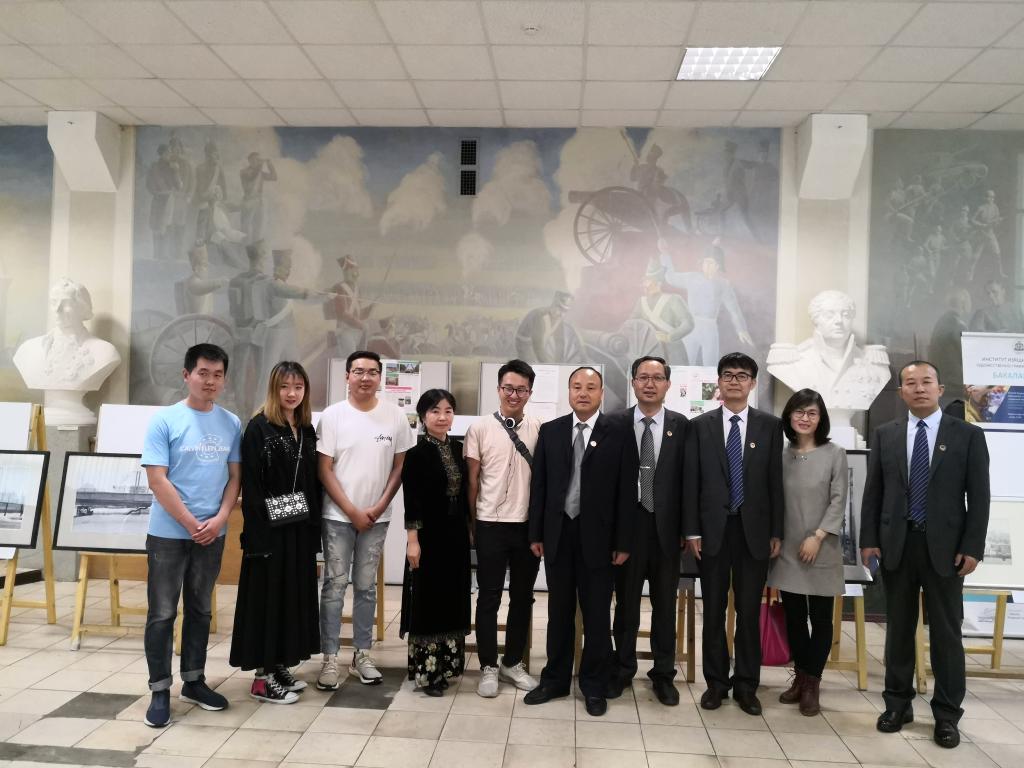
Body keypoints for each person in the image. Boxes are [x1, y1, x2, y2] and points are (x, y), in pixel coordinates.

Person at [861, 361, 990, 749]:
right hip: (897, 545)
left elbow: (979, 496)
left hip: (947, 550)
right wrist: (869, 539)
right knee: (898, 630)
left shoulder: (967, 435)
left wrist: (973, 546)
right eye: (911, 383)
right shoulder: (886, 434)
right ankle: (897, 705)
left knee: (947, 634)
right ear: (901, 391)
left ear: (940, 388)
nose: (919, 388)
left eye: (926, 382)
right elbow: (874, 492)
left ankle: (947, 715)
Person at [140, 343, 241, 728]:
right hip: (169, 533)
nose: (210, 381)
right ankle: (160, 690)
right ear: (186, 375)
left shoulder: (231, 422)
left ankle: (194, 682)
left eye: (217, 375)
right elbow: (157, 479)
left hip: (212, 532)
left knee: (200, 609)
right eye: (203, 373)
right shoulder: (164, 420)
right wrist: (189, 522)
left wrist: (220, 518)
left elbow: (235, 478)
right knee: (163, 612)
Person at [526, 367, 633, 717]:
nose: (583, 393)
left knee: (597, 616)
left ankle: (594, 684)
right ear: (569, 392)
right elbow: (540, 485)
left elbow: (626, 491)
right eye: (576, 387)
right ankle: (555, 680)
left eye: (590, 387)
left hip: (600, 539)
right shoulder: (552, 430)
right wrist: (536, 533)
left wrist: (623, 541)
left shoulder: (619, 432)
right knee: (558, 613)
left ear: (601, 393)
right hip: (558, 535)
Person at [683, 352, 783, 716]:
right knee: (713, 610)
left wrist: (776, 530)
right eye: (728, 375)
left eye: (742, 376)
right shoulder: (700, 426)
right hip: (712, 531)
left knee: (748, 611)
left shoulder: (770, 426)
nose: (735, 381)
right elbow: (691, 481)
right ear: (719, 382)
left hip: (753, 532)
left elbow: (775, 481)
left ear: (753, 383)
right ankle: (715, 684)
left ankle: (746, 685)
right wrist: (692, 530)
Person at [317, 350, 414, 689]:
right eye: (358, 371)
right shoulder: (332, 416)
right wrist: (352, 511)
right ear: (347, 376)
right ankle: (329, 657)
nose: (365, 377)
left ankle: (362, 654)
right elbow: (324, 469)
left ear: (380, 378)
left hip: (377, 517)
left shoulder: (395, 416)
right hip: (337, 516)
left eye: (372, 372)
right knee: (333, 585)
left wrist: (379, 505)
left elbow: (400, 467)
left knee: (366, 586)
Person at [230, 361, 322, 704]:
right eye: (285, 386)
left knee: (290, 601)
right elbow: (252, 489)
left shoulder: (306, 428)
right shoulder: (258, 428)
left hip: (298, 533)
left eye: (298, 387)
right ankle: (262, 678)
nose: (291, 393)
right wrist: (288, 514)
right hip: (268, 533)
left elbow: (312, 484)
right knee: (266, 603)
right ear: (274, 389)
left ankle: (279, 663)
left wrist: (310, 529)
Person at [610, 356, 687, 706]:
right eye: (643, 377)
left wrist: (688, 529)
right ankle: (622, 670)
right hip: (628, 530)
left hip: (667, 532)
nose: (650, 384)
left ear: (668, 384)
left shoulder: (682, 426)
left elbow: (689, 481)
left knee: (664, 607)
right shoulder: (615, 423)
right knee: (626, 606)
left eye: (657, 378)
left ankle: (663, 675)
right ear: (633, 382)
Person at [767, 389, 847, 717]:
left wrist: (818, 536)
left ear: (820, 418)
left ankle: (813, 682)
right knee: (795, 617)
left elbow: (839, 499)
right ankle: (800, 678)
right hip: (787, 548)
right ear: (789, 416)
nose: (804, 418)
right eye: (798, 412)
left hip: (822, 546)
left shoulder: (834, 453)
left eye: (811, 413)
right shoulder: (780, 455)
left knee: (821, 618)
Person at [464, 359, 542, 698]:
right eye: (508, 388)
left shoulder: (540, 428)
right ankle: (488, 666)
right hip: (490, 524)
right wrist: (473, 524)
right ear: (498, 389)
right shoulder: (480, 428)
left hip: (526, 527)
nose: (514, 394)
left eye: (521, 389)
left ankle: (512, 662)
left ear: (529, 393)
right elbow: (472, 481)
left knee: (523, 597)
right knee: (489, 597)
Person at [400, 389, 472, 696]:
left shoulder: (458, 449)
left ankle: (447, 666)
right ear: (423, 416)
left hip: (455, 535)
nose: (442, 417)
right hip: (428, 537)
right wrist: (412, 541)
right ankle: (428, 672)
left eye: (448, 411)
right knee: (429, 600)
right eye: (435, 411)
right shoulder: (416, 454)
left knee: (452, 597)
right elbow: (412, 502)